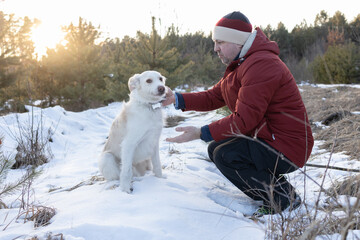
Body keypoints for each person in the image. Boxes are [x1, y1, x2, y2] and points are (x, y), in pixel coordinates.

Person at [162, 11, 314, 217]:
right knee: (217, 148)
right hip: (272, 139)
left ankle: (282, 198)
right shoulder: (244, 64)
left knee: (227, 154)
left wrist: (200, 132)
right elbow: (214, 96)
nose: (215, 48)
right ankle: (278, 189)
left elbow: (244, 120)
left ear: (238, 42)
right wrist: (177, 99)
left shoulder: (261, 65)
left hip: (288, 145)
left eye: (220, 42)